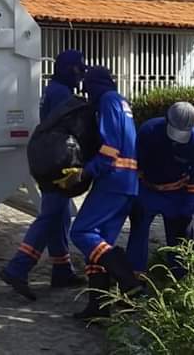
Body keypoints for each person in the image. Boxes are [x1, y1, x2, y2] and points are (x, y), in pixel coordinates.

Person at [0, 50, 86, 301]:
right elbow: (72, 128)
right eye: (79, 69)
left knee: (59, 215)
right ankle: (18, 267)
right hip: (57, 163)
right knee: (50, 216)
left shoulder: (55, 89)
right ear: (70, 70)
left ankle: (62, 269)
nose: (81, 75)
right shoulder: (61, 94)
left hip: (51, 159)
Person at [67, 66, 143, 320]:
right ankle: (98, 307)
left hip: (113, 181)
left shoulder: (109, 101)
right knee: (98, 244)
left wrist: (86, 172)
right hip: (127, 183)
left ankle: (126, 278)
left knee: (81, 232)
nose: (88, 96)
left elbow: (110, 148)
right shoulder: (122, 102)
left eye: (88, 90)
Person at [127, 102, 194, 277]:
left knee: (180, 238)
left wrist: (189, 207)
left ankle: (181, 280)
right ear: (166, 120)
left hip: (177, 194)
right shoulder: (149, 131)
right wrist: (134, 195)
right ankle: (134, 281)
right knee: (138, 232)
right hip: (147, 190)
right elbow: (134, 164)